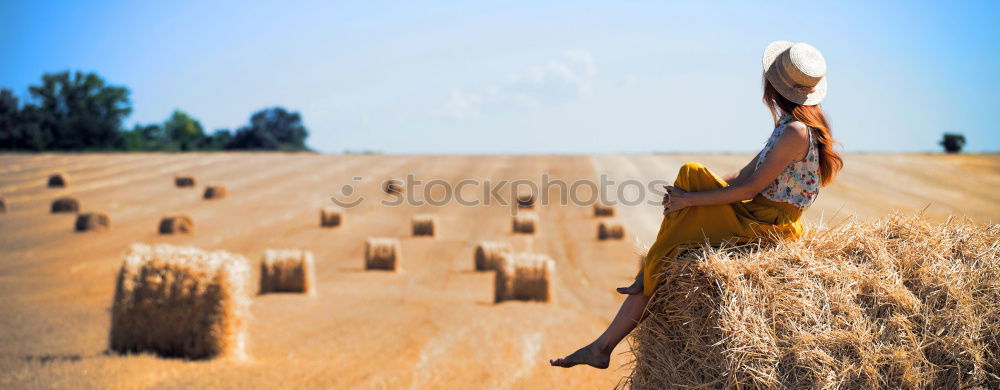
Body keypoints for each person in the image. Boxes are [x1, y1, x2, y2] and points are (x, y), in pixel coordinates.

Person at [550, 41, 843, 369]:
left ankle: (616, 322)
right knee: (691, 178)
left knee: (683, 201)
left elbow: (749, 188)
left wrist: (689, 199)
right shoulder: (792, 125)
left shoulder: (795, 131)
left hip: (768, 224)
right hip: (759, 214)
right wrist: (693, 192)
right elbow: (745, 174)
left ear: (773, 86)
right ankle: (618, 320)